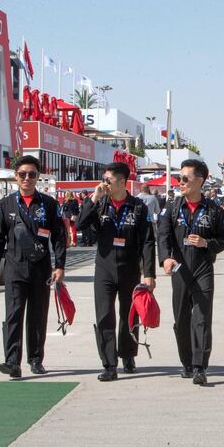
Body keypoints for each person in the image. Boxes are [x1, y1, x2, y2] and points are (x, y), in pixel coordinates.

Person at [78, 162, 156, 381]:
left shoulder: (138, 207)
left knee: (129, 314)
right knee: (104, 315)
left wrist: (149, 272)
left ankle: (128, 355)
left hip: (129, 267)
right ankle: (109, 363)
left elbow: (148, 241)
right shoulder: (101, 204)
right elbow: (81, 224)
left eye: (109, 180)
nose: (105, 183)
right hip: (104, 267)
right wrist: (93, 198)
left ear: (122, 182)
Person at [0, 155, 66, 378]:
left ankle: (35, 359)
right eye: (22, 174)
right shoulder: (6, 205)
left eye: (31, 174)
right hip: (14, 268)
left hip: (41, 269)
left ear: (38, 177)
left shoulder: (49, 204)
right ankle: (12, 361)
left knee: (37, 315)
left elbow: (59, 236)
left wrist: (59, 265)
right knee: (13, 314)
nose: (27, 178)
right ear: (15, 177)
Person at [158, 160, 224, 385]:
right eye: (179, 178)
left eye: (185, 179)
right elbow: (163, 235)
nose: (180, 183)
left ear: (200, 181)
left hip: (203, 269)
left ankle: (200, 367)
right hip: (180, 269)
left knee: (201, 319)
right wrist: (165, 258)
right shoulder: (172, 207)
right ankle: (187, 363)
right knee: (181, 320)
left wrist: (206, 243)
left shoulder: (214, 210)